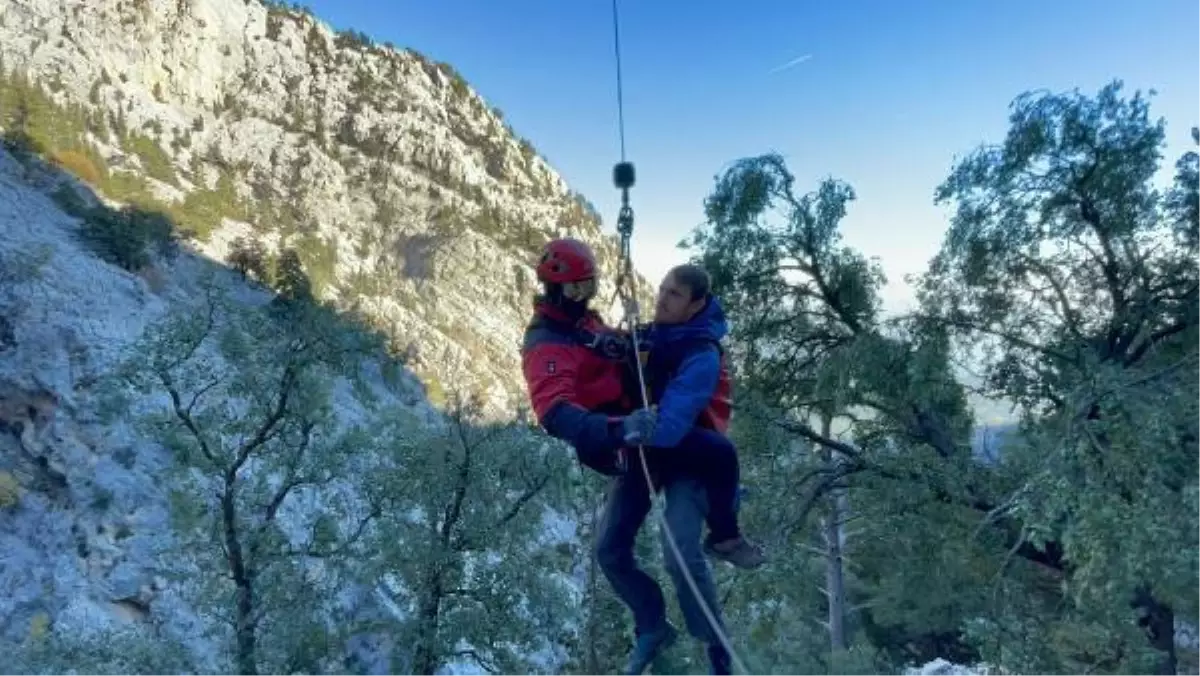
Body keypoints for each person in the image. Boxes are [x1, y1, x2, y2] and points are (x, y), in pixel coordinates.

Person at [519, 239, 738, 675]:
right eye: (577, 290)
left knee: (679, 551)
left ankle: (715, 644)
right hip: (625, 439)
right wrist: (619, 429)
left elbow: (609, 344)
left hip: (642, 438)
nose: (586, 298)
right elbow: (556, 413)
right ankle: (653, 625)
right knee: (610, 552)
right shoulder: (546, 345)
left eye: (590, 287)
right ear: (555, 290)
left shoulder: (584, 324)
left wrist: (626, 342)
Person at [637, 263, 765, 569]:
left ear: (695, 305)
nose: (662, 299)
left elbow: (669, 427)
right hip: (658, 432)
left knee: (720, 453)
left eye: (675, 295)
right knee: (611, 548)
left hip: (666, 434)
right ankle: (726, 534)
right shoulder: (665, 332)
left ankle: (726, 535)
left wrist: (624, 432)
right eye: (662, 290)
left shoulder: (701, 353)